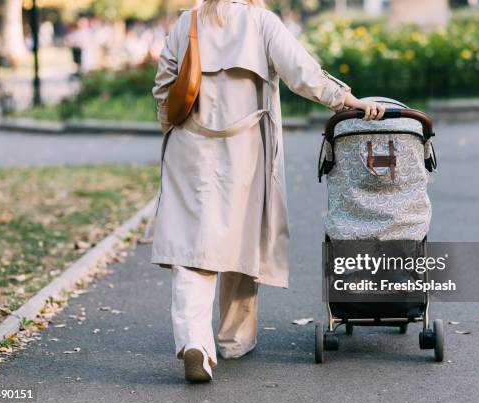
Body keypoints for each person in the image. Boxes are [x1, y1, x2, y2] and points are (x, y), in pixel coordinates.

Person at [152, 0, 385, 382]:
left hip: (189, 148)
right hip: (244, 149)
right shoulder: (262, 22)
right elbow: (303, 74)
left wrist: (170, 127)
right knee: (242, 241)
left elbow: (164, 86)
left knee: (192, 249)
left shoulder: (186, 23)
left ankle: (195, 341)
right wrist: (348, 101)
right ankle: (233, 340)